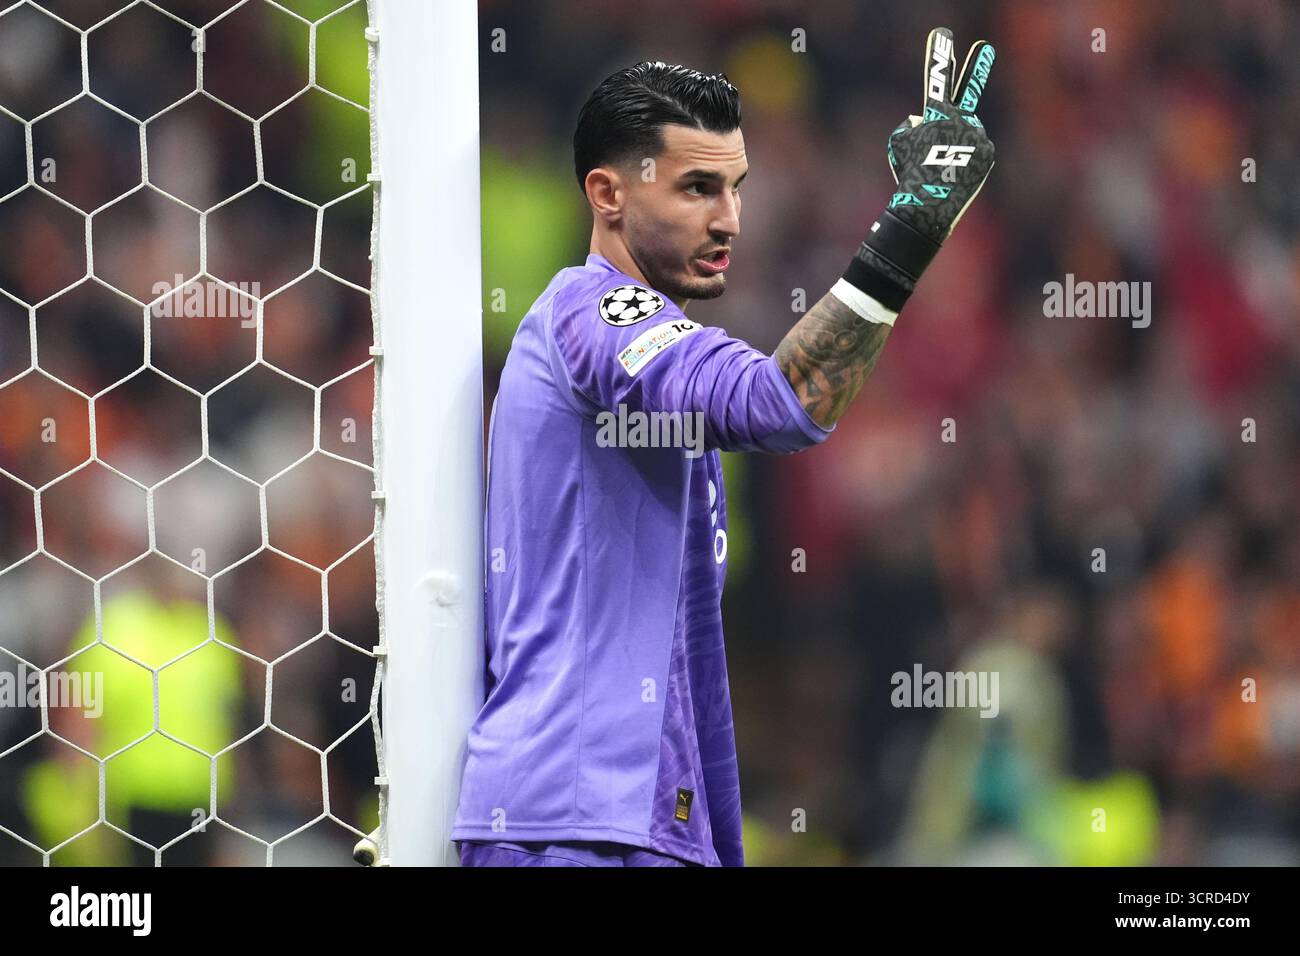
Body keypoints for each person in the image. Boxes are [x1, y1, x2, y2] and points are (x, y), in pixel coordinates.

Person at [452, 30, 996, 867]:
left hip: (646, 821)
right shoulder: (590, 312)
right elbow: (779, 403)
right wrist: (910, 225)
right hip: (571, 822)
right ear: (607, 195)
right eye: (698, 188)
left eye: (737, 188)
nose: (729, 218)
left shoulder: (648, 365)